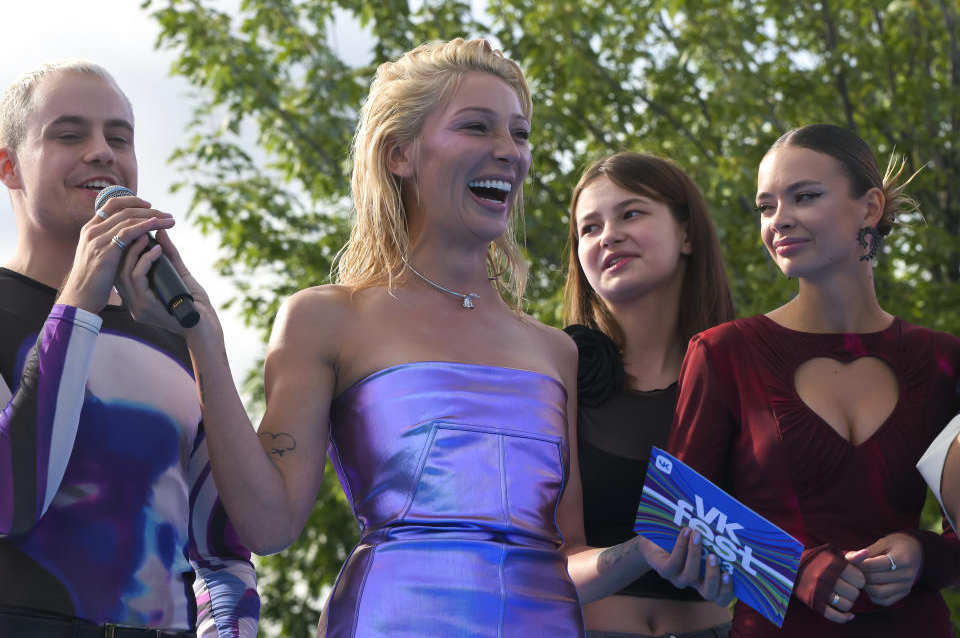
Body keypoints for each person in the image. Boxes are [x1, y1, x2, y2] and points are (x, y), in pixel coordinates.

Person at [118, 39, 732, 637]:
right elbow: (268, 525)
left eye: (518, 134)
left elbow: (564, 553)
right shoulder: (326, 318)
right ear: (399, 155)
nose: (508, 152)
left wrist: (638, 554)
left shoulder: (555, 349)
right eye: (477, 128)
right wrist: (202, 340)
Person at [667, 123, 960, 637]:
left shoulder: (944, 360)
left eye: (804, 196)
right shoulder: (722, 353)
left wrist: (923, 553)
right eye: (765, 206)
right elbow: (674, 522)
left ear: (869, 208)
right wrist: (792, 570)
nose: (779, 220)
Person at [0, 60, 258, 637]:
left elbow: (222, 551)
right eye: (69, 135)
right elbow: (9, 500)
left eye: (119, 137)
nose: (101, 152)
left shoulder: (171, 328)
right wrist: (78, 306)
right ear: (9, 166)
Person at [563, 151, 735, 638]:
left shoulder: (747, 376)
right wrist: (643, 551)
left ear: (686, 233)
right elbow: (536, 571)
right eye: (589, 228)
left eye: (631, 213)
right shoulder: (558, 376)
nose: (609, 235)